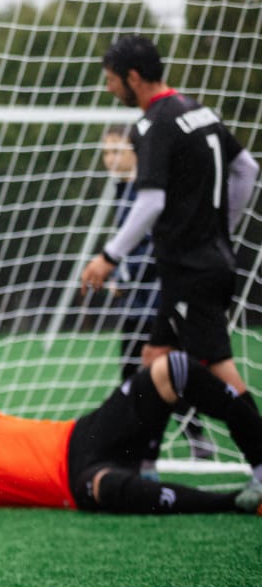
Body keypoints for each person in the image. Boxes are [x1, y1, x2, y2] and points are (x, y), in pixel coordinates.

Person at [80, 35, 259, 404]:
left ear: (132, 77)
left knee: (217, 371)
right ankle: (140, 459)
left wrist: (108, 256)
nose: (108, 88)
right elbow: (247, 168)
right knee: (153, 358)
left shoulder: (153, 125)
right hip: (204, 262)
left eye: (111, 79)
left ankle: (257, 454)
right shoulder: (198, 111)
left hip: (191, 268)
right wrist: (223, 225)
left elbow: (151, 202)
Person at [0, 356, 262, 515]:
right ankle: (236, 502)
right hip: (74, 483)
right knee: (106, 487)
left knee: (170, 369)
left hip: (85, 435)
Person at [99, 125, 212, 466]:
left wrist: (125, 270)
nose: (110, 158)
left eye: (117, 150)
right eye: (106, 152)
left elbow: (152, 245)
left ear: (136, 152)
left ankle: (179, 442)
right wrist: (120, 275)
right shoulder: (123, 190)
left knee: (157, 374)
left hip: (155, 300)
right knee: (133, 374)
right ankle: (143, 447)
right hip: (135, 301)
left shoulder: (147, 193)